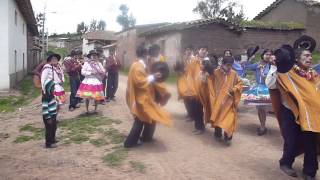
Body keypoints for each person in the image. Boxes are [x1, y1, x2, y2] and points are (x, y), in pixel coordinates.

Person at [266, 46, 320, 180]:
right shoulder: (285, 72)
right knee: (291, 140)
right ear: (296, 58)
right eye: (306, 56)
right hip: (290, 112)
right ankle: (285, 163)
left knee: (311, 142)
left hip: (310, 114)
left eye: (310, 56)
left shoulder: (313, 75)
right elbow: (270, 85)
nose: (309, 58)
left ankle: (309, 172)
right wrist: (274, 67)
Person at [124, 44, 172, 148]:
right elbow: (140, 82)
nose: (150, 57)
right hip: (141, 98)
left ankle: (147, 137)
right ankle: (130, 142)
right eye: (148, 55)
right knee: (140, 119)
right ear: (145, 54)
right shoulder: (137, 67)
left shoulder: (141, 65)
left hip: (145, 96)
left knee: (148, 116)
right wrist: (153, 76)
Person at [208, 56, 242, 144]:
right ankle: (218, 133)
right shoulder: (215, 72)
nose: (229, 67)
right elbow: (209, 82)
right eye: (227, 65)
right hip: (218, 101)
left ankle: (228, 137)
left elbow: (239, 84)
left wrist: (234, 89)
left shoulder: (234, 73)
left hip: (229, 102)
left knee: (229, 119)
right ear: (222, 64)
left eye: (231, 65)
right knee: (218, 118)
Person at [244, 49, 273, 135]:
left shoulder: (272, 66)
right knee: (260, 109)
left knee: (266, 109)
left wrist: (265, 75)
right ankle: (262, 126)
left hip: (268, 89)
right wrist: (250, 59)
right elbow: (246, 67)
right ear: (263, 55)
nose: (268, 56)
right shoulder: (257, 64)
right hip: (258, 89)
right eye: (266, 54)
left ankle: (264, 127)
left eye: (270, 54)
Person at [40, 53, 61, 148]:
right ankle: (48, 143)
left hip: (51, 89)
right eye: (53, 58)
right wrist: (45, 90)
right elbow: (43, 80)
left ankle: (53, 139)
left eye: (56, 59)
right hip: (47, 90)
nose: (55, 60)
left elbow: (57, 80)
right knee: (49, 127)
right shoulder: (46, 68)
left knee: (54, 125)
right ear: (49, 60)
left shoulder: (54, 68)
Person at [187, 46, 209, 134]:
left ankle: (212, 128)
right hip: (196, 89)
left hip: (206, 89)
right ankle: (199, 127)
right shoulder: (194, 61)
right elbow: (190, 74)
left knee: (207, 108)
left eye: (205, 50)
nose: (204, 51)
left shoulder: (208, 61)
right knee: (197, 109)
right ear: (198, 51)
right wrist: (191, 88)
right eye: (202, 49)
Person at [175, 46, 195, 120]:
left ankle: (192, 114)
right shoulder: (182, 59)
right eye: (187, 50)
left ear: (192, 50)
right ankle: (189, 113)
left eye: (189, 50)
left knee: (191, 98)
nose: (188, 51)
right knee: (185, 97)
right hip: (183, 80)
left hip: (191, 81)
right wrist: (178, 71)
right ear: (185, 51)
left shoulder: (194, 59)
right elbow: (177, 68)